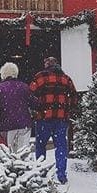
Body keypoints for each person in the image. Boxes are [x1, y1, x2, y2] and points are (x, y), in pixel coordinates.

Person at [30, 56, 78, 184]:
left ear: (46, 65)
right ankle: (61, 174)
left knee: (40, 145)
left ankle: (40, 172)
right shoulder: (66, 79)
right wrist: (68, 110)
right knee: (61, 145)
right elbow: (74, 97)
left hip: (43, 117)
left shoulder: (40, 77)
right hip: (61, 118)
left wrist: (36, 108)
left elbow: (31, 94)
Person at [0, 62, 38, 152]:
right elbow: (34, 103)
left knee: (8, 154)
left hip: (6, 126)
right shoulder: (24, 87)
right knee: (22, 152)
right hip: (24, 125)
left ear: (3, 74)